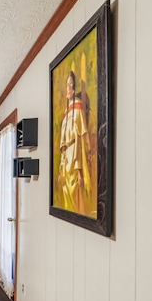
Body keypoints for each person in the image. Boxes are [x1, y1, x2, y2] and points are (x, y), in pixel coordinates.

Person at [57, 70, 95, 217]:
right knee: (65, 190)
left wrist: (79, 169)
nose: (67, 89)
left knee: (74, 191)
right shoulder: (67, 111)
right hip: (66, 155)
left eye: (70, 85)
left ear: (75, 88)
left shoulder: (77, 107)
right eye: (66, 85)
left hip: (74, 154)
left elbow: (79, 137)